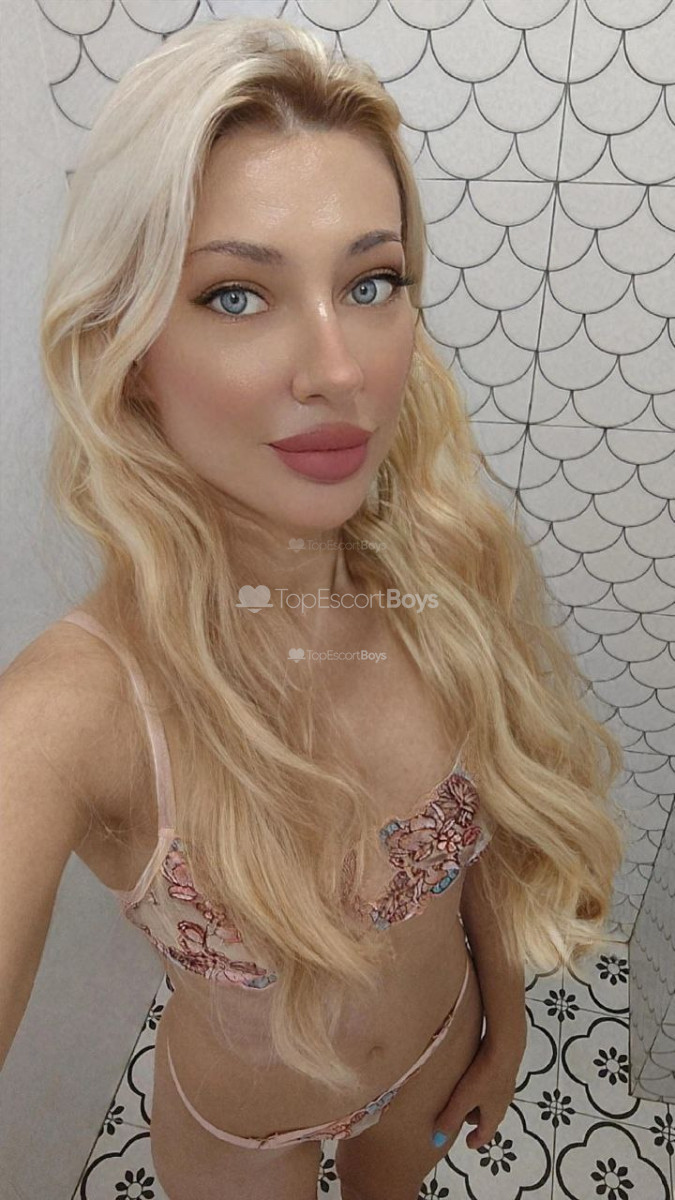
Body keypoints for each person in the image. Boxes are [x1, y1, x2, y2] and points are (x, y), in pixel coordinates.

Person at [0, 16, 626, 1200]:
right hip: (242, 1138)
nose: (339, 370)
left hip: (436, 1064)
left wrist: (503, 1019)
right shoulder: (73, 712)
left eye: (371, 282)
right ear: (128, 345)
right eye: (237, 295)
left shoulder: (437, 578)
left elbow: (481, 837)